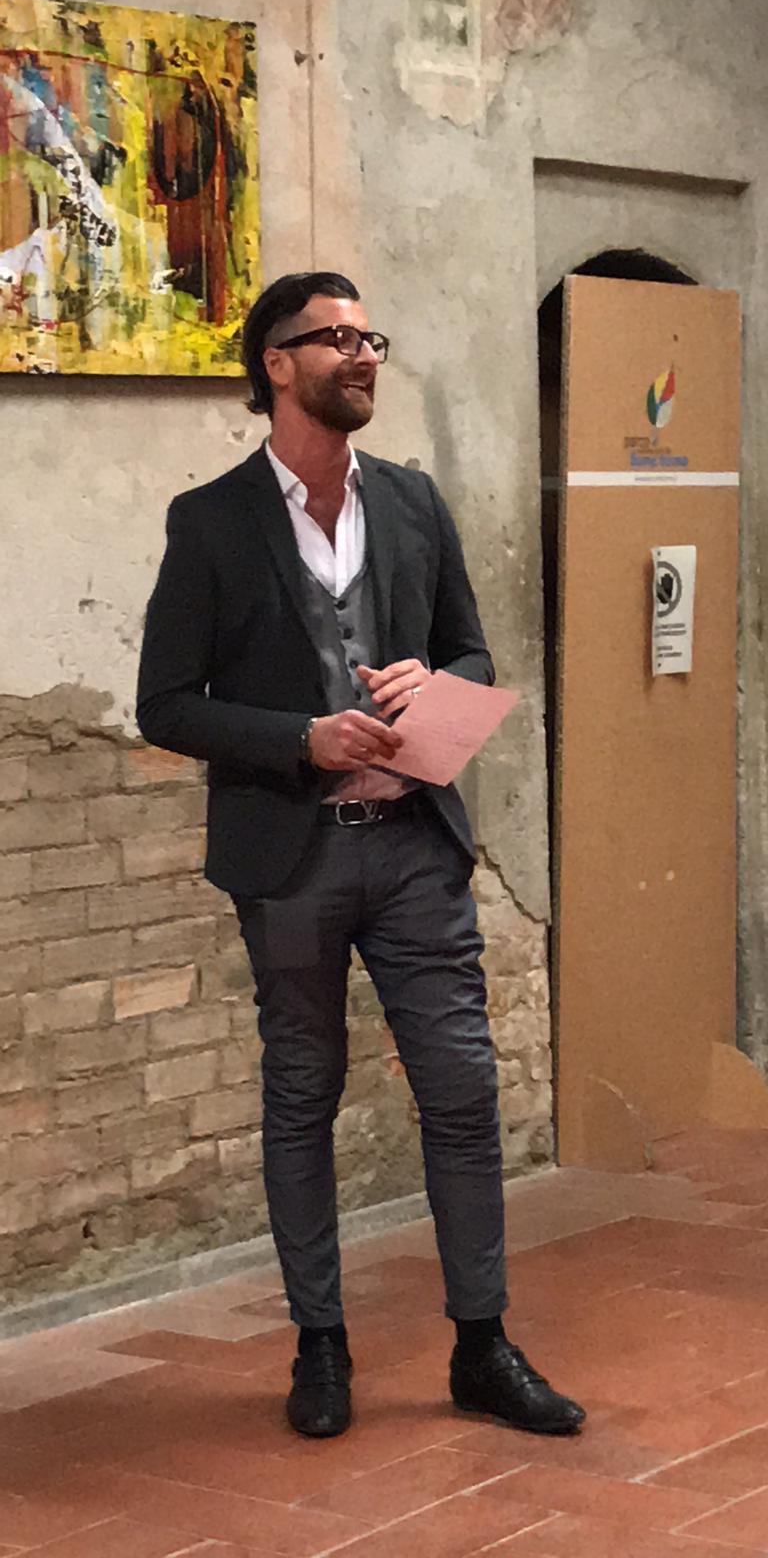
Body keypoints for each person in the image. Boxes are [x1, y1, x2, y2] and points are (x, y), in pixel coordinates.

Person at [136, 271, 585, 1440]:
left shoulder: (414, 500)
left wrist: (436, 682)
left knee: (463, 1088)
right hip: (293, 860)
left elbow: (474, 655)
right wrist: (302, 737)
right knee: (304, 1093)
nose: (361, 352)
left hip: (415, 849)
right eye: (333, 337)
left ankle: (482, 1344)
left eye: (367, 334)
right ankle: (321, 1344)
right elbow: (166, 704)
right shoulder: (212, 521)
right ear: (276, 363)